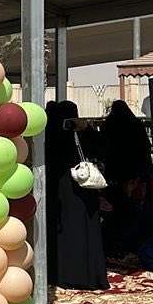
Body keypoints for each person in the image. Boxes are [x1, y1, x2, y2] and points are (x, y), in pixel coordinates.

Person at [44, 101, 108, 290]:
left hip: (58, 192)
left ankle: (61, 274)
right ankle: (86, 275)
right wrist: (85, 128)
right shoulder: (80, 135)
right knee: (85, 233)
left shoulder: (47, 135)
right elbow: (103, 147)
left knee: (62, 235)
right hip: (82, 190)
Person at [99, 100, 151, 252]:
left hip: (113, 175)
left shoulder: (109, 125)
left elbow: (102, 147)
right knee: (131, 212)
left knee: (113, 212)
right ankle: (129, 244)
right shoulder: (136, 126)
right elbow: (144, 150)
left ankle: (113, 243)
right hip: (132, 176)